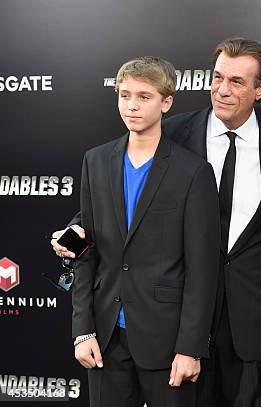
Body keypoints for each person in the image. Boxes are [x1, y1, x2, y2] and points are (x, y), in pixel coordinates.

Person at [52, 38, 261, 406]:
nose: (222, 89)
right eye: (217, 77)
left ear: (260, 89)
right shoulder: (171, 132)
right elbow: (120, 202)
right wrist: (78, 229)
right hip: (168, 317)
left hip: (251, 316)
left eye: (237, 81)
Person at [71, 56, 220, 407]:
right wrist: (82, 330)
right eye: (124, 95)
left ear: (166, 102)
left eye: (143, 96)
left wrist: (190, 347)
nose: (131, 106)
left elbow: (202, 269)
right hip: (105, 337)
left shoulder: (193, 172)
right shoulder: (95, 161)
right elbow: (85, 252)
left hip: (166, 340)